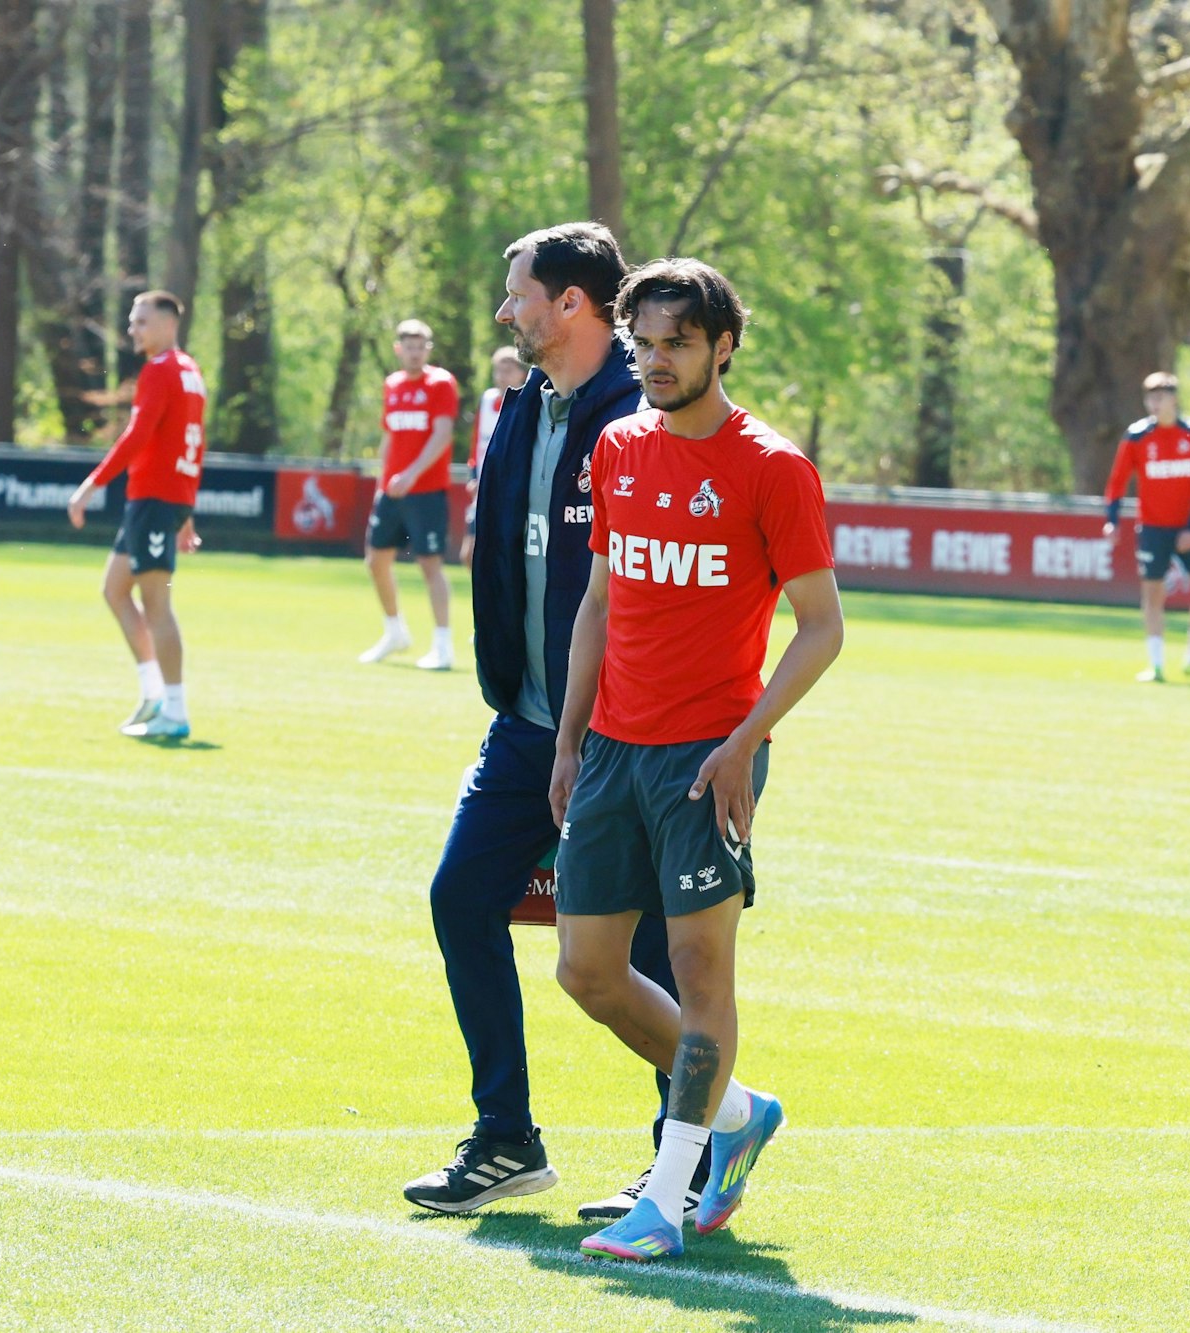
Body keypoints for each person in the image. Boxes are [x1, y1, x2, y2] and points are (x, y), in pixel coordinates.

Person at [553, 258, 843, 1263]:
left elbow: (819, 628)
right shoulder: (617, 445)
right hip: (611, 751)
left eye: (676, 341)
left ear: (722, 345)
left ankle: (666, 1201)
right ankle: (736, 1112)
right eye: (643, 342)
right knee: (585, 970)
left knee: (696, 965)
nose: (655, 360)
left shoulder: (771, 467)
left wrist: (744, 741)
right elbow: (600, 600)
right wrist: (567, 735)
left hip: (704, 757)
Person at [403, 223, 689, 1221]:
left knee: (650, 946)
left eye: (518, 292)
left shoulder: (645, 412)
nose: (503, 310)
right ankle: (506, 1140)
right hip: (526, 724)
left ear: (569, 302)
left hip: (625, 732)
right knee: (460, 897)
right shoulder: (531, 399)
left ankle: (682, 1158)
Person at [67, 290, 207, 740]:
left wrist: (93, 484)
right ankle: (153, 694)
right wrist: (187, 509)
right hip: (167, 498)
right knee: (114, 589)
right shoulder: (191, 372)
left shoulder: (161, 369)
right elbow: (193, 441)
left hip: (154, 499)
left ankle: (176, 710)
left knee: (158, 606)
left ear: (168, 324)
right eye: (133, 321)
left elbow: (138, 434)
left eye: (141, 321)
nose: (133, 329)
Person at [1103, 371, 1190, 685]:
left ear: (1174, 399)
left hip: (1188, 527)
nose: (1154, 403)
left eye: (1160, 397)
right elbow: (1117, 481)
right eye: (1149, 398)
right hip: (1153, 527)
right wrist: (1111, 519)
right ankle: (1155, 664)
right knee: (1153, 594)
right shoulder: (1137, 437)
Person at [358, 320, 459, 669]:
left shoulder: (440, 383)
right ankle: (394, 631)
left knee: (429, 564)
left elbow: (442, 435)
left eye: (421, 346)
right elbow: (389, 437)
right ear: (398, 349)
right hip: (393, 490)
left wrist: (412, 474)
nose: (415, 352)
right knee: (375, 559)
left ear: (428, 349)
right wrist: (381, 483)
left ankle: (443, 644)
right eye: (409, 346)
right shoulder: (392, 385)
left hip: (426, 491)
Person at [460, 346, 525, 568]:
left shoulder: (527, 401)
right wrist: (473, 476)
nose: (502, 375)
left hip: (510, 488)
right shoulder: (487, 400)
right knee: (469, 554)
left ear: (521, 372)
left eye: (508, 369)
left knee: (504, 552)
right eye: (498, 370)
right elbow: (476, 445)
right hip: (483, 487)